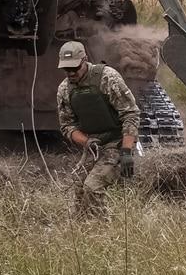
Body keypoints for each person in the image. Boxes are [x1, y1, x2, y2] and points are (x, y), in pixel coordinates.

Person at [54, 40, 140, 215]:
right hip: (95, 145)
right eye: (66, 69)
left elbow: (130, 114)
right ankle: (82, 228)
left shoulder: (107, 77)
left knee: (92, 187)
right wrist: (87, 141)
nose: (71, 73)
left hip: (117, 142)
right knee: (78, 184)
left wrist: (126, 151)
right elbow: (67, 125)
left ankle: (102, 230)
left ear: (85, 60)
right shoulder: (64, 89)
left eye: (75, 68)